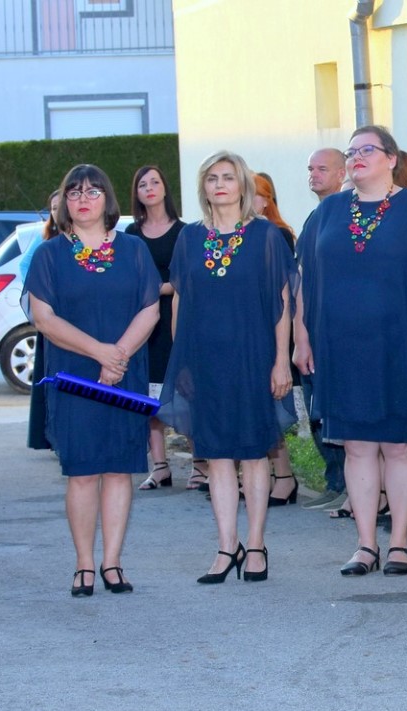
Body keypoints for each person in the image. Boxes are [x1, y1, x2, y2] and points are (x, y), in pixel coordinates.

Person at [159, 151, 297, 584]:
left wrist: (281, 361)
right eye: (212, 178)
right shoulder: (189, 238)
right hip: (205, 361)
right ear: (203, 187)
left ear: (243, 186)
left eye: (228, 177)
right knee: (217, 456)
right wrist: (183, 362)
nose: (219, 185)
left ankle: (255, 545)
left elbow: (282, 305)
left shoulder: (265, 236)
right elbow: (180, 301)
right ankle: (226, 546)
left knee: (254, 455)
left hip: (254, 359)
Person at [23, 164, 160, 596]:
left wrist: (118, 355)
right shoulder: (49, 255)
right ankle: (84, 563)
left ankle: (112, 562)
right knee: (82, 472)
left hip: (124, 371)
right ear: (64, 201)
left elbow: (150, 308)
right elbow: (44, 318)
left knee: (119, 470)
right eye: (74, 192)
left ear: (108, 199)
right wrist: (100, 353)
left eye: (93, 191)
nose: (83, 199)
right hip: (75, 376)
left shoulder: (133, 249)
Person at [293, 125, 407, 577]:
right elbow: (306, 279)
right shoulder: (329, 210)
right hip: (339, 344)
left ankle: (400, 542)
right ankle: (366, 545)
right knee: (356, 446)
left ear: (391, 158)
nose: (357, 157)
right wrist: (302, 336)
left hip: (398, 343)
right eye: (351, 152)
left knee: (399, 446)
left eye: (367, 149)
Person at [125, 166, 190, 491]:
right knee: (146, 393)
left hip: (177, 316)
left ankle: (201, 464)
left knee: (183, 389)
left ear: (165, 188)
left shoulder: (185, 232)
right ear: (136, 193)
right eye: (142, 184)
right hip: (142, 319)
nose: (149, 188)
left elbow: (189, 278)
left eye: (155, 182)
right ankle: (160, 466)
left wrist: (161, 288)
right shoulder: (130, 234)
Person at [296, 148, 350, 512]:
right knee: (317, 408)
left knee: (339, 409)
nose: (313, 174)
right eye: (310, 168)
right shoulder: (315, 217)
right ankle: (335, 480)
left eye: (322, 169)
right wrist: (300, 335)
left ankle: (351, 485)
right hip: (312, 327)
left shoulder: (347, 215)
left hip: (339, 331)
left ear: (343, 173)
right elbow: (301, 278)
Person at [251, 173, 300, 506]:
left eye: (255, 194)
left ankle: (284, 476)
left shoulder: (277, 234)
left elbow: (282, 289)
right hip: (248, 329)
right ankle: (262, 476)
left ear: (267, 200)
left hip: (272, 328)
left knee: (271, 404)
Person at [27, 189, 62, 452]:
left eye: (60, 206)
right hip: (52, 321)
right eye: (53, 208)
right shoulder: (44, 242)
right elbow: (25, 268)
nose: (57, 211)